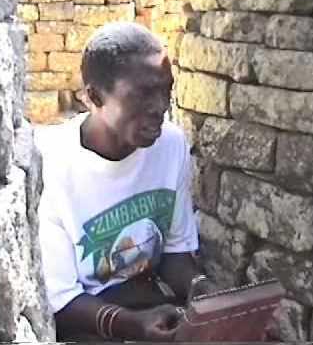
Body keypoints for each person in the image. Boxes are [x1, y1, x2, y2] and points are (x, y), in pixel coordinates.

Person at [36, 22, 203, 342]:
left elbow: (176, 255)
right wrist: (133, 325)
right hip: (86, 322)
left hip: (148, 303)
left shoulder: (171, 145)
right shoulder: (52, 163)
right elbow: (60, 301)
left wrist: (202, 291)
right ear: (94, 97)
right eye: (143, 94)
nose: (161, 107)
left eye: (166, 89)